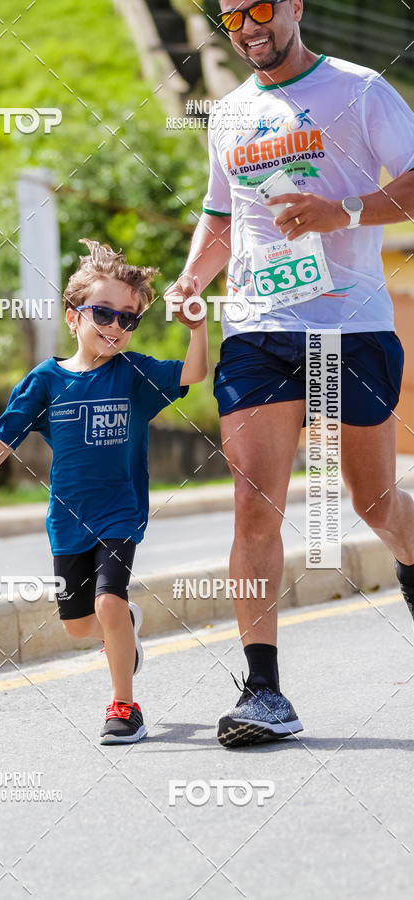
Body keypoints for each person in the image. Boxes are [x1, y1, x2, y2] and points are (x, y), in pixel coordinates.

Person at [165, 0, 414, 748]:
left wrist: (342, 211)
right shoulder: (229, 114)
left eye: (262, 8)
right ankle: (264, 691)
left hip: (350, 327)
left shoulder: (360, 90)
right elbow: (222, 217)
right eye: (231, 17)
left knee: (374, 502)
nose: (248, 27)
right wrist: (192, 278)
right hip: (258, 329)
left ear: (296, 7)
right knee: (254, 504)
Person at [0, 239, 208, 744]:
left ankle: (124, 707)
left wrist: (198, 329)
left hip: (120, 513)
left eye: (128, 319)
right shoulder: (47, 381)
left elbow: (193, 372)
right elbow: (8, 430)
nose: (117, 326)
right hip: (68, 519)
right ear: (74, 317)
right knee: (77, 625)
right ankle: (124, 629)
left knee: (109, 601)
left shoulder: (133, 375)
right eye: (104, 313)